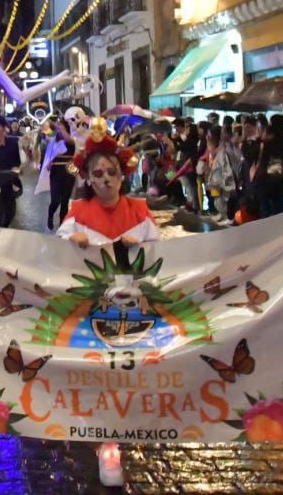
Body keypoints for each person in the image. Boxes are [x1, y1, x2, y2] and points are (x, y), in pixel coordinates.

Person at [57, 123, 160, 487]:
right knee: (99, 371)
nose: (104, 180)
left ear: (123, 175)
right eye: (97, 173)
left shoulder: (139, 210)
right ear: (87, 177)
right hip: (93, 310)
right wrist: (75, 238)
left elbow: (164, 254)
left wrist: (142, 243)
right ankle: (106, 440)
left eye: (111, 172)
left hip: (134, 310)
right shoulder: (78, 211)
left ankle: (122, 430)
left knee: (127, 372)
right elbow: (60, 242)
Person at [42, 118, 77, 230]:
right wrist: (50, 162)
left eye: (61, 127)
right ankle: (50, 216)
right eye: (58, 128)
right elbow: (53, 154)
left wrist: (61, 127)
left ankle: (63, 224)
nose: (58, 130)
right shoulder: (54, 141)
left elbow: (69, 140)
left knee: (65, 201)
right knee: (55, 200)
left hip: (69, 171)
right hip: (56, 172)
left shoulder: (72, 139)